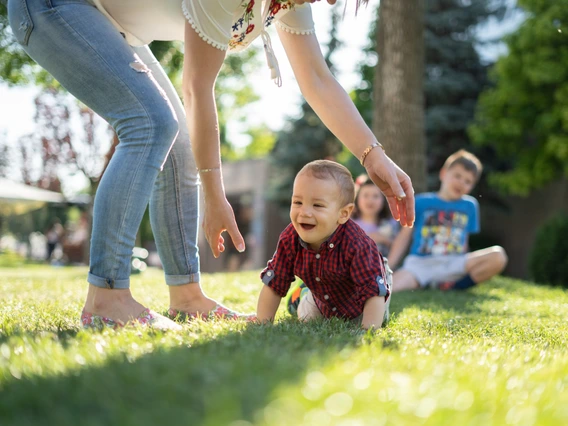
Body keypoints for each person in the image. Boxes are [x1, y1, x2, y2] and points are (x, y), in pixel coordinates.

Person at [7, 0, 414, 330]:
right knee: (152, 122)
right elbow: (197, 88)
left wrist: (372, 156)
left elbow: (317, 80)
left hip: (110, 22)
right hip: (55, 7)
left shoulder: (292, 1)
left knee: (178, 139)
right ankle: (106, 298)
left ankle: (186, 297)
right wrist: (215, 196)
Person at [256, 160, 391, 329]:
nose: (304, 212)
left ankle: (303, 293)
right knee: (307, 318)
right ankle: (301, 296)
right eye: (298, 202)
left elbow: (373, 293)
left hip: (363, 301)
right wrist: (262, 324)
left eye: (317, 205)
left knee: (378, 318)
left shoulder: (358, 244)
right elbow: (274, 282)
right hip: (323, 298)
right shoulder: (290, 238)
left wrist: (368, 331)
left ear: (343, 214)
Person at [388, 150, 508, 292]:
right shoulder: (421, 202)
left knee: (498, 256)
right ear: (443, 174)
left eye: (468, 181)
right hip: (421, 264)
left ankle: (454, 287)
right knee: (389, 287)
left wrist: (466, 264)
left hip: (454, 263)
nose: (461, 183)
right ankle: (428, 282)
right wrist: (388, 267)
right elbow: (404, 237)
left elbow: (464, 241)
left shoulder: (470, 206)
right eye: (457, 176)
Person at [352, 176, 400, 257]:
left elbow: (399, 246)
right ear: (357, 198)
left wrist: (384, 239)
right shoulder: (349, 223)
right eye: (365, 195)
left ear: (384, 200)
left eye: (375, 196)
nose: (370, 200)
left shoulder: (391, 223)